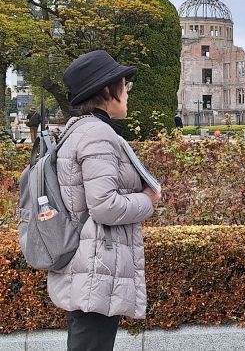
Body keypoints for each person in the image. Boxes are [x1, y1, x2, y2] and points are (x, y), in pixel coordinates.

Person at [49, 50, 161, 351]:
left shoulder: (79, 130)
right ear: (107, 90)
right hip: (96, 268)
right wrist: (147, 200)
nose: (127, 93)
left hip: (88, 265)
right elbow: (104, 206)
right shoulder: (98, 134)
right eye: (124, 85)